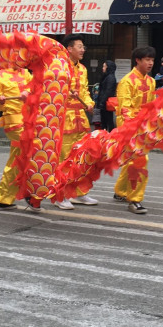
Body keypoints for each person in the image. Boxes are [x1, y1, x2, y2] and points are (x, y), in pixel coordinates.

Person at [54, 34, 98, 210]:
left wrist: (89, 103)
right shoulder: (58, 67)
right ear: (69, 49)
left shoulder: (83, 69)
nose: (83, 49)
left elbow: (85, 91)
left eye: (83, 47)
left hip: (80, 118)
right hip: (64, 118)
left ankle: (79, 193)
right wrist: (65, 93)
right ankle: (60, 194)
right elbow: (51, 91)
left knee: (81, 157)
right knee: (64, 159)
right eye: (79, 46)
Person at [113, 46, 157, 214]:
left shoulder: (151, 82)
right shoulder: (127, 81)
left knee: (131, 160)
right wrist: (135, 127)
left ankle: (120, 191)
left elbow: (152, 106)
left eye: (152, 60)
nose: (150, 63)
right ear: (137, 60)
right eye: (147, 60)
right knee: (139, 161)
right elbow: (125, 109)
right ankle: (134, 199)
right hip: (130, 127)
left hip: (144, 127)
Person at [0, 67, 32, 211]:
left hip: (29, 121)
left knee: (16, 160)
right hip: (13, 122)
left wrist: (28, 92)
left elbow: (36, 89)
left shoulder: (25, 73)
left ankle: (2, 199)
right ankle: (30, 191)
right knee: (32, 152)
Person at [96, 60, 117, 132]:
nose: (103, 68)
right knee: (104, 121)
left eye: (104, 66)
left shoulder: (110, 78)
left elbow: (108, 91)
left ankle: (110, 135)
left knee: (108, 121)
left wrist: (102, 101)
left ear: (108, 67)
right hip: (104, 103)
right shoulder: (107, 76)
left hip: (106, 103)